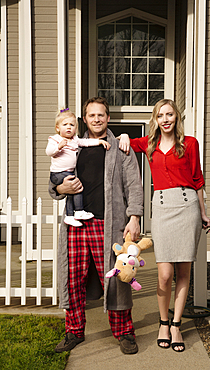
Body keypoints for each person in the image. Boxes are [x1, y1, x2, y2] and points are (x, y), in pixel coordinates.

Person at [48, 97, 143, 355]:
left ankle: (124, 332)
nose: (97, 119)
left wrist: (134, 217)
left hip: (108, 225)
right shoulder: (72, 145)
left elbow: (134, 185)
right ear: (84, 119)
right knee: (74, 279)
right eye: (92, 115)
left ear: (108, 118)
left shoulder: (120, 147)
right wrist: (59, 188)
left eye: (101, 115)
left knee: (116, 280)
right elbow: (54, 178)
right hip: (76, 225)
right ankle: (74, 332)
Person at [118, 98, 210, 352]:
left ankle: (177, 326)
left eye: (169, 114)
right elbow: (118, 143)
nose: (165, 119)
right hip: (161, 209)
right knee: (164, 274)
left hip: (187, 205)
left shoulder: (190, 143)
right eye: (161, 116)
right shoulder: (148, 145)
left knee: (183, 271)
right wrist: (124, 133)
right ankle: (163, 323)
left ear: (176, 117)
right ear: (155, 121)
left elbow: (198, 180)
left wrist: (203, 213)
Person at [46, 108, 111, 227]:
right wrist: (58, 147)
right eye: (65, 124)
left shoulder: (75, 140)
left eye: (72, 124)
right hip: (57, 174)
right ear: (57, 128)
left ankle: (70, 216)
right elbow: (48, 152)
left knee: (72, 192)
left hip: (67, 172)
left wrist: (99, 142)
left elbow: (86, 142)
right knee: (77, 186)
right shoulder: (55, 139)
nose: (69, 127)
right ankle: (79, 211)